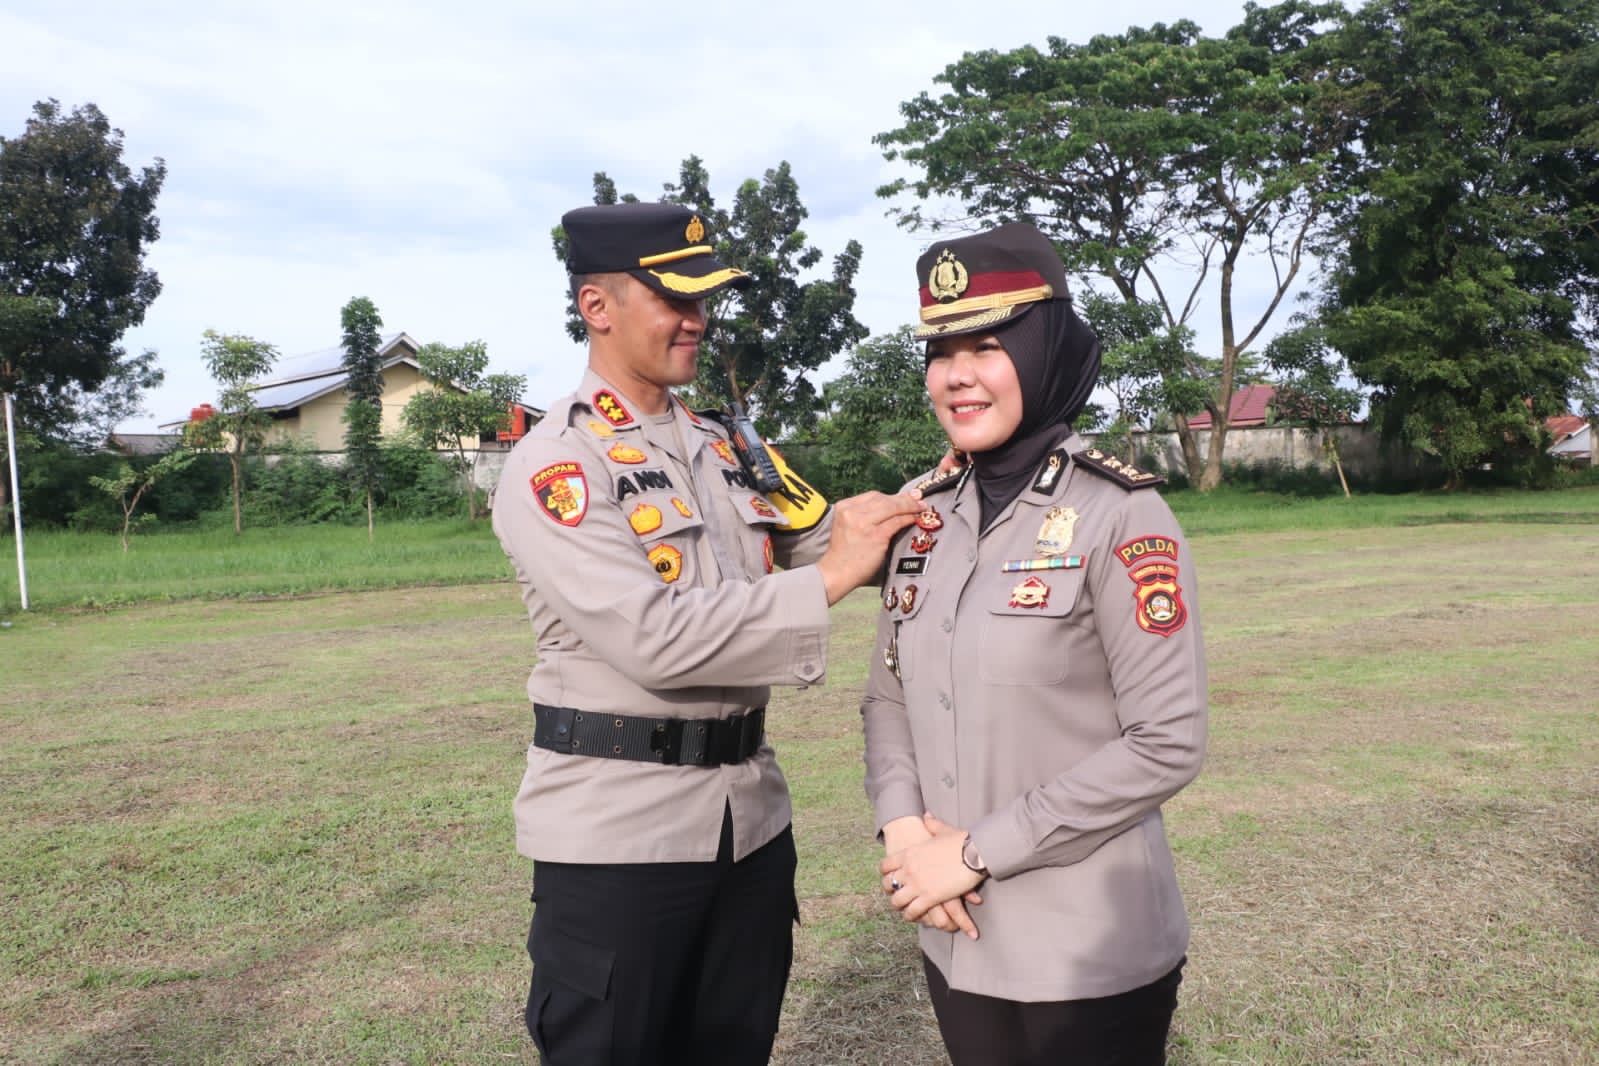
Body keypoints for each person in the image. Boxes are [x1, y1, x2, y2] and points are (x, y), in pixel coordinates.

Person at [491, 201, 923, 1066]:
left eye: (703, 300)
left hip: (748, 824)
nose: (696, 320)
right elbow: (654, 637)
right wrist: (831, 576)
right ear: (597, 306)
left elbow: (816, 535)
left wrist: (931, 503)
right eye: (673, 299)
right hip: (619, 838)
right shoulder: (558, 464)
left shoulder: (724, 443)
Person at [861, 222, 1208, 1066]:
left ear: (1044, 347)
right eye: (941, 352)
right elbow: (888, 696)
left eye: (987, 345)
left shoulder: (1119, 513)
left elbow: (1166, 743)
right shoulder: (922, 510)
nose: (956, 376)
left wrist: (973, 853)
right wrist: (903, 830)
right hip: (957, 934)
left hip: (1086, 948)